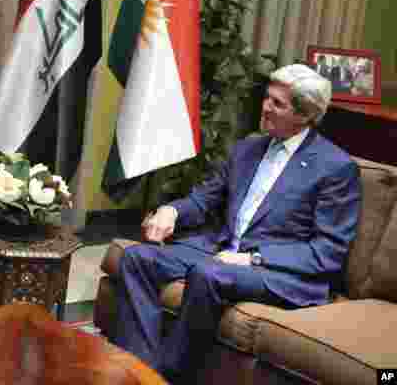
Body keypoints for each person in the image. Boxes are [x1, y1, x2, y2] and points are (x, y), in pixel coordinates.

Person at [111, 63, 361, 384]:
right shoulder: (249, 148)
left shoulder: (335, 168)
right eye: (267, 98)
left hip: (277, 273)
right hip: (223, 253)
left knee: (208, 274)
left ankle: (171, 375)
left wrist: (252, 259)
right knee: (137, 258)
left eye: (277, 103)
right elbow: (204, 199)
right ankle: (141, 373)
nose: (265, 107)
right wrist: (171, 211)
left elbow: (328, 251)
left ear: (304, 116)